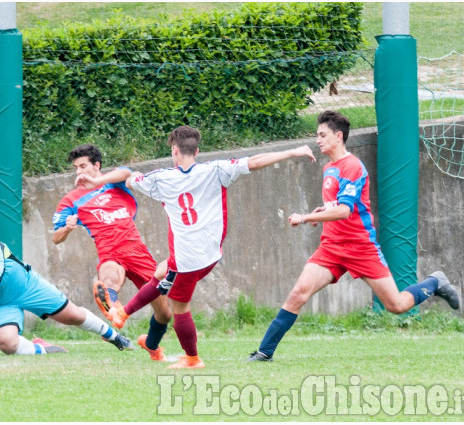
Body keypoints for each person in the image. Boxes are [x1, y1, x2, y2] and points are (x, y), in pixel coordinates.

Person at [247, 110, 460, 362]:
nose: (318, 140)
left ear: (338, 137)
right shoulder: (329, 168)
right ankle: (264, 352)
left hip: (361, 247)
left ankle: (435, 282)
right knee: (298, 293)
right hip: (332, 248)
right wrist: (321, 210)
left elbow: (345, 211)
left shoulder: (353, 166)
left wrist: (305, 217)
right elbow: (337, 204)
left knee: (396, 306)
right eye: (317, 135)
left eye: (322, 135)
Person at [105, 125, 316, 368]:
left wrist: (119, 178)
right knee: (161, 272)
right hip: (210, 255)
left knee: (179, 308)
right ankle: (125, 316)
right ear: (197, 151)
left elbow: (129, 179)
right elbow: (255, 161)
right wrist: (292, 151)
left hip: (187, 259)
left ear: (174, 151)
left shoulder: (161, 179)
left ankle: (192, 359)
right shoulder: (216, 170)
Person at [52, 144, 172, 361]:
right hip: (109, 250)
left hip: (137, 250)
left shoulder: (113, 182)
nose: (78, 172)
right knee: (109, 280)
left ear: (97, 166)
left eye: (83, 166)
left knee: (164, 313)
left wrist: (96, 182)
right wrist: (66, 228)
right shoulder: (70, 200)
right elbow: (55, 237)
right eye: (76, 168)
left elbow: (128, 173)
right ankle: (112, 307)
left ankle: (152, 345)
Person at [0, 224, 134, 357]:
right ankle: (42, 349)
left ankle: (116, 337)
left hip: (28, 287)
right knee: (6, 344)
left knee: (74, 316)